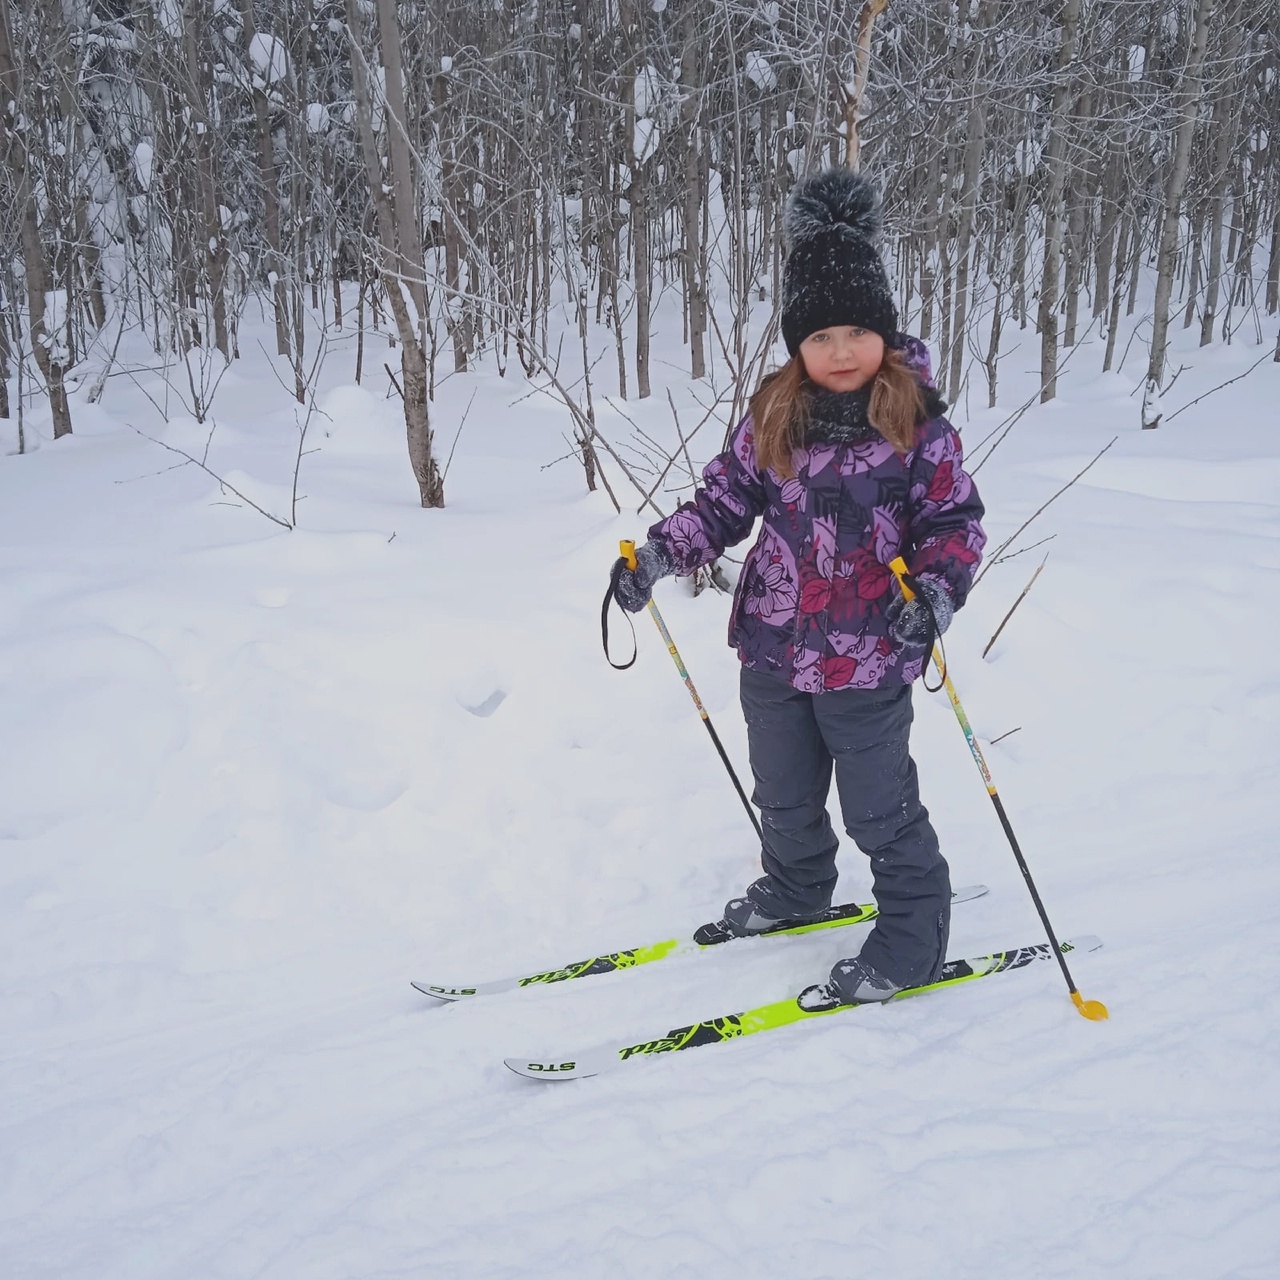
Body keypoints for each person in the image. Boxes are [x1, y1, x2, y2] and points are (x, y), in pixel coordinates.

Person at [611, 167, 986, 1008]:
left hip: (870, 653)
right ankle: (798, 886)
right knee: (780, 792)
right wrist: (658, 558)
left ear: (883, 333)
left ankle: (915, 933)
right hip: (776, 645)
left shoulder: (916, 421)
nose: (841, 351)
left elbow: (955, 526)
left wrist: (934, 594)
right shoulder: (773, 415)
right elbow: (724, 503)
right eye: (821, 336)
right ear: (796, 344)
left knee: (877, 808)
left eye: (858, 331)